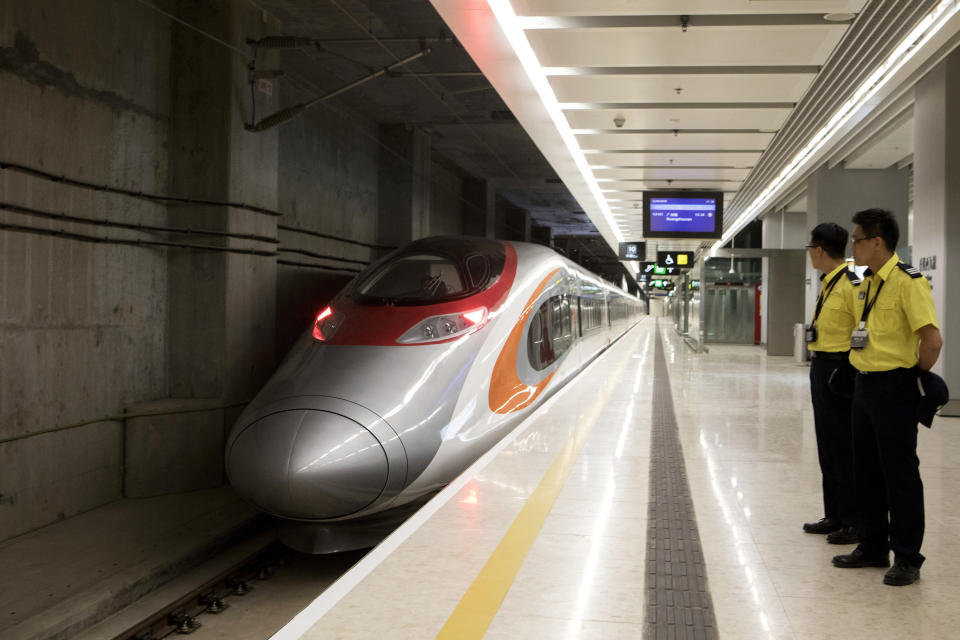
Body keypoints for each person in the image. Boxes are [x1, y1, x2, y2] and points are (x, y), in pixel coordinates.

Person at [831, 208, 942, 586]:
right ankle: (873, 546)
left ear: (877, 242)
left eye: (858, 240)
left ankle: (908, 557)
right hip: (864, 384)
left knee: (899, 475)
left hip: (894, 386)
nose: (853, 247)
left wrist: (916, 377)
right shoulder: (867, 282)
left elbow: (931, 339)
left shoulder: (909, 282)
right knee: (866, 471)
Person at [802, 223, 860, 545]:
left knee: (843, 446)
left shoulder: (851, 283)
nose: (810, 253)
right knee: (827, 444)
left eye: (810, 248)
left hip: (840, 370)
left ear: (820, 250)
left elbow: (862, 328)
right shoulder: (828, 283)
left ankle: (853, 520)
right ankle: (834, 514)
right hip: (821, 366)